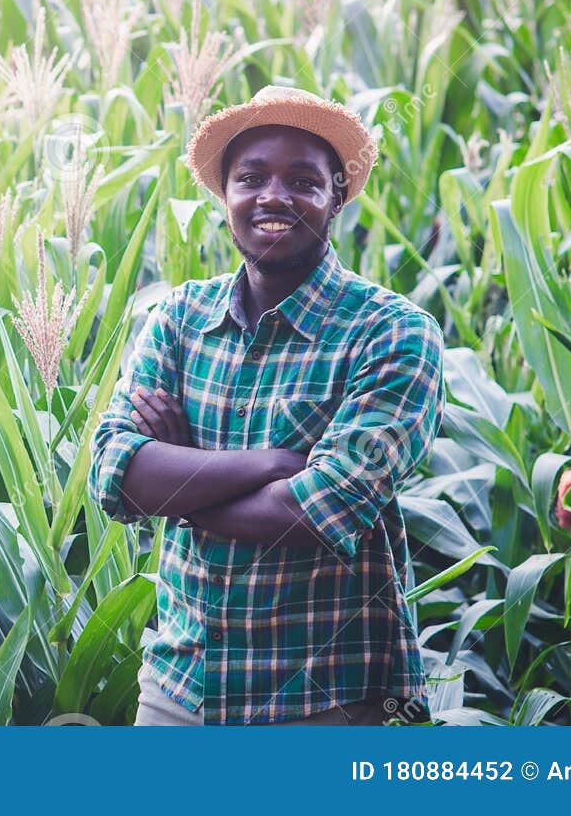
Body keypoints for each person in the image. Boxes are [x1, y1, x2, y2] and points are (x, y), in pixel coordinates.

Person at [89, 84, 446, 725]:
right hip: (178, 691)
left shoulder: (393, 333)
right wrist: (273, 463)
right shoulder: (178, 317)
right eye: (251, 177)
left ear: (337, 195)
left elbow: (319, 510)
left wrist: (181, 479)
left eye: (303, 181)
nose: (273, 197)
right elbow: (114, 475)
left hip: (328, 704)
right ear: (224, 194)